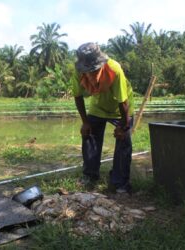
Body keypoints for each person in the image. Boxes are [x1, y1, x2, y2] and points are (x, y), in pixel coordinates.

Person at [73, 42, 134, 194]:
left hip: (121, 108)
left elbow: (123, 102)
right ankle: (90, 175)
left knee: (123, 141)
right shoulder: (78, 72)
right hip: (98, 105)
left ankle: (120, 183)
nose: (91, 75)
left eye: (94, 71)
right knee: (89, 135)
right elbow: (78, 96)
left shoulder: (115, 70)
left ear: (101, 65)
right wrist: (85, 122)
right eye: (88, 71)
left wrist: (123, 126)